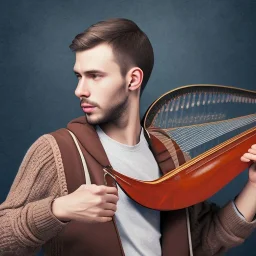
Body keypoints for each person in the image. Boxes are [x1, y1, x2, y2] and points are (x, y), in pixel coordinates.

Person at [0, 18, 256, 256]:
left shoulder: (169, 152)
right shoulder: (55, 150)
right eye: (79, 76)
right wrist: (58, 209)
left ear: (133, 79)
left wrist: (254, 187)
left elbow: (201, 242)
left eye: (95, 76)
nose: (80, 90)